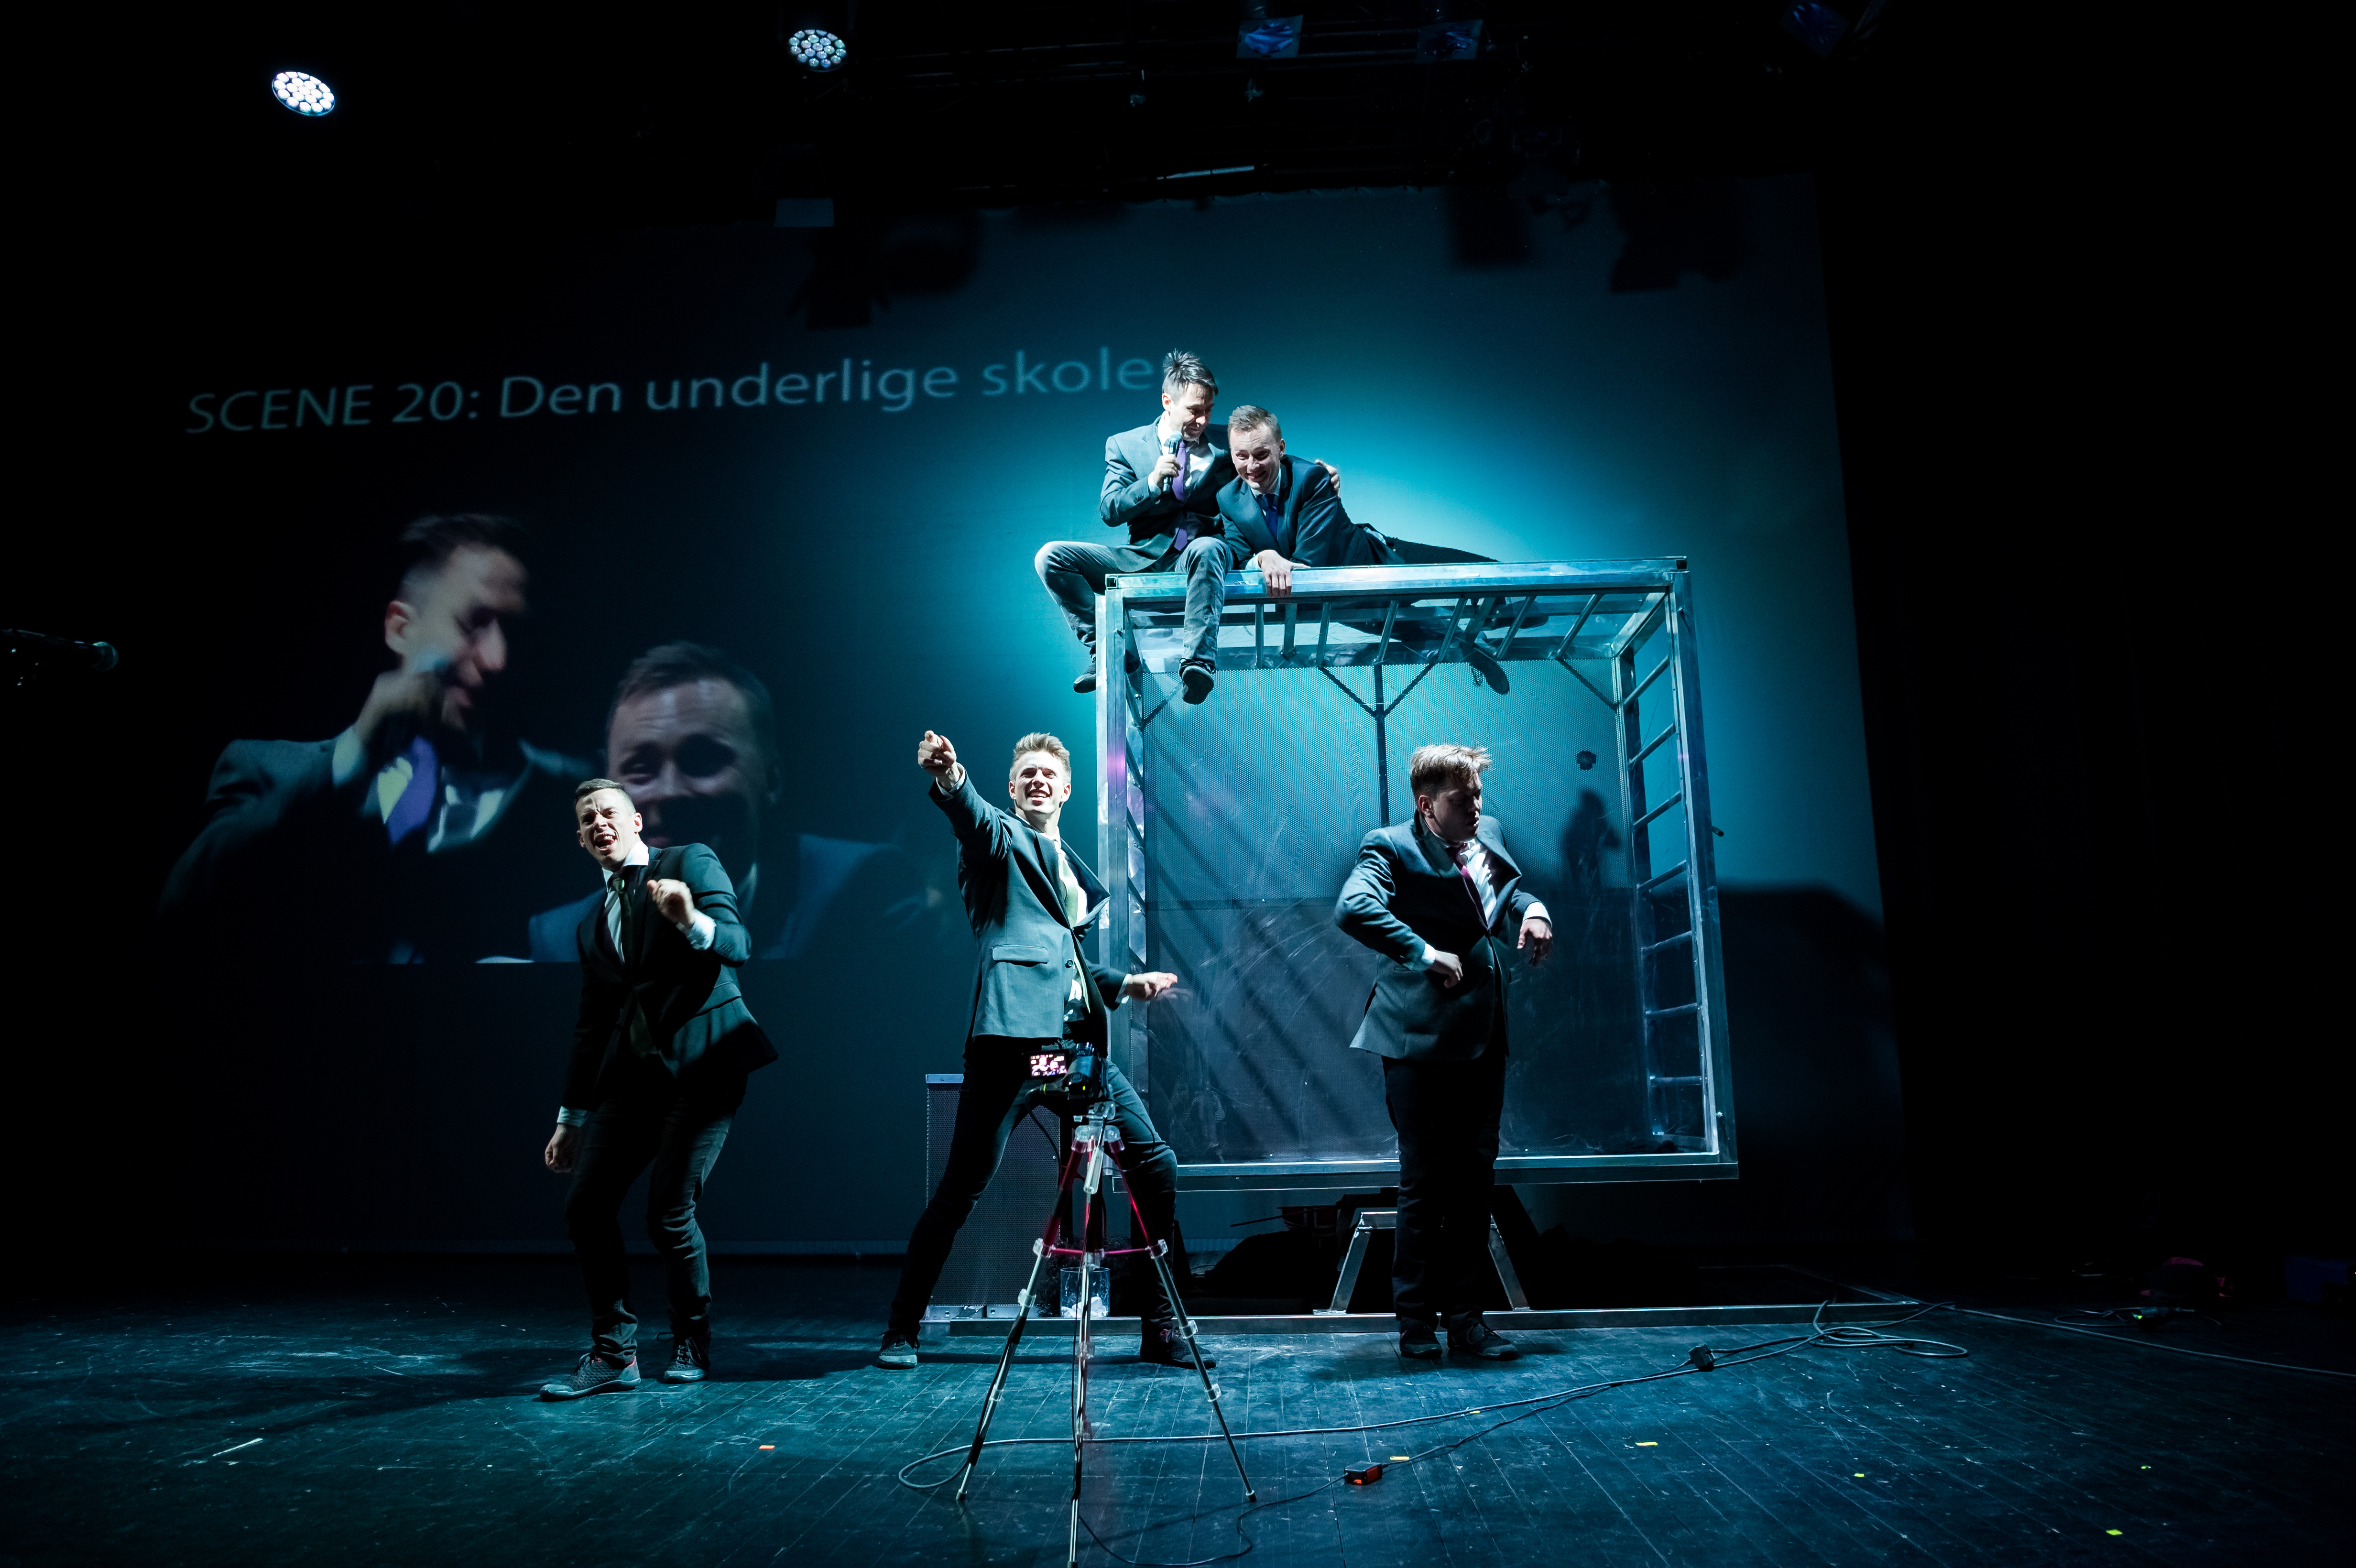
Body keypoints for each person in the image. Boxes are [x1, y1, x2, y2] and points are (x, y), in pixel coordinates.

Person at [875, 729, 1205, 1370]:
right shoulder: (1000, 840)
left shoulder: (1070, 868)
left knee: (1155, 1163)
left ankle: (1161, 1326)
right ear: (1011, 787)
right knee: (961, 1189)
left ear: (1067, 789)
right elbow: (972, 821)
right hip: (1012, 1054)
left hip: (1070, 1055)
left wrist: (1123, 984)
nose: (1038, 781)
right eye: (1026, 773)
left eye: (1048, 774)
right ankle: (901, 1328)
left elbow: (1065, 963)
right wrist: (950, 778)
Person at [157, 514, 588, 962]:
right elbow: (183, 916)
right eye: (472, 623)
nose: (498, 660)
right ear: (401, 629)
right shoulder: (265, 771)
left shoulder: (563, 798)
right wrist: (353, 758)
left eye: (514, 633)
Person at [538, 778, 778, 1398]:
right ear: (580, 839)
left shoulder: (688, 862)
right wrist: (570, 1119)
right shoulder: (592, 925)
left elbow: (738, 944)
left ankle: (691, 1339)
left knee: (668, 1212)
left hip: (706, 1067)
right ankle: (614, 1353)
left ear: (636, 821)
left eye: (609, 813)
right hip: (634, 1081)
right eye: (588, 820)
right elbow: (591, 1028)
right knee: (585, 1206)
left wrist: (689, 918)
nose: (599, 824)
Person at [1335, 743, 1553, 1360]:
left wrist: (1533, 911)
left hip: (1482, 1037)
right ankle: (1414, 1324)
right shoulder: (1389, 846)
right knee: (1425, 1182)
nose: (1476, 808)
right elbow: (1353, 907)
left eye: (1479, 795)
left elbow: (1502, 898)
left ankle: (1467, 1322)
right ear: (1426, 805)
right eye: (1463, 800)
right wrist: (1424, 953)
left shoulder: (1487, 834)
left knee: (1474, 1184)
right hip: (1417, 1041)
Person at [527, 642, 927, 963]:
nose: (670, 792)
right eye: (641, 769)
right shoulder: (565, 939)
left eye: (702, 760)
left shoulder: (861, 895)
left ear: (771, 779)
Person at [1212, 405, 1508, 694]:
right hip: (1339, 602)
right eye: (1242, 456)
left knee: (1477, 570)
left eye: (1261, 455)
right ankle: (1475, 652)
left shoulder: (1310, 477)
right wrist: (1263, 558)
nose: (1252, 467)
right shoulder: (1228, 499)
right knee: (1412, 629)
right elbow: (1240, 557)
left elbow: (1308, 564)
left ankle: (1498, 612)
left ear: (1281, 448)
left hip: (1376, 561)